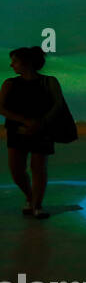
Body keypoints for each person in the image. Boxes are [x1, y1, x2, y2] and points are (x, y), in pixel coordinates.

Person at [0, 47, 64, 219]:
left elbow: (58, 105)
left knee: (38, 168)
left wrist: (40, 123)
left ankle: (37, 204)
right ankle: (30, 197)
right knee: (16, 170)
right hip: (17, 130)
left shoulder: (49, 81)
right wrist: (27, 122)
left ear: (26, 63)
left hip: (42, 130)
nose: (12, 65)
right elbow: (1, 108)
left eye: (15, 61)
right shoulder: (9, 83)